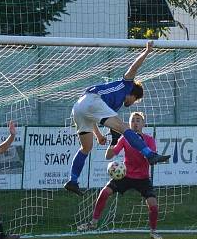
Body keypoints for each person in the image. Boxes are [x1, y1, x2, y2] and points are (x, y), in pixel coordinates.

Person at [64, 40, 170, 196]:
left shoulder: (113, 105)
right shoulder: (126, 84)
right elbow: (134, 67)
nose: (131, 103)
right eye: (133, 100)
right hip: (92, 100)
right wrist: (147, 51)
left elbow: (91, 114)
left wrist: (98, 135)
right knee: (125, 128)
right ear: (132, 94)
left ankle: (73, 180)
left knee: (86, 148)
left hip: (79, 107)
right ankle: (149, 154)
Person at [87, 112, 163, 239]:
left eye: (138, 120)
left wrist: (140, 145)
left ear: (143, 124)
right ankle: (93, 222)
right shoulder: (124, 138)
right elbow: (108, 156)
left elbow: (151, 158)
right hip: (125, 175)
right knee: (105, 192)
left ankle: (153, 231)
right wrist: (114, 141)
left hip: (143, 178)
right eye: (133, 120)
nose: (135, 123)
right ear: (129, 124)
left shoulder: (149, 140)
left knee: (153, 205)